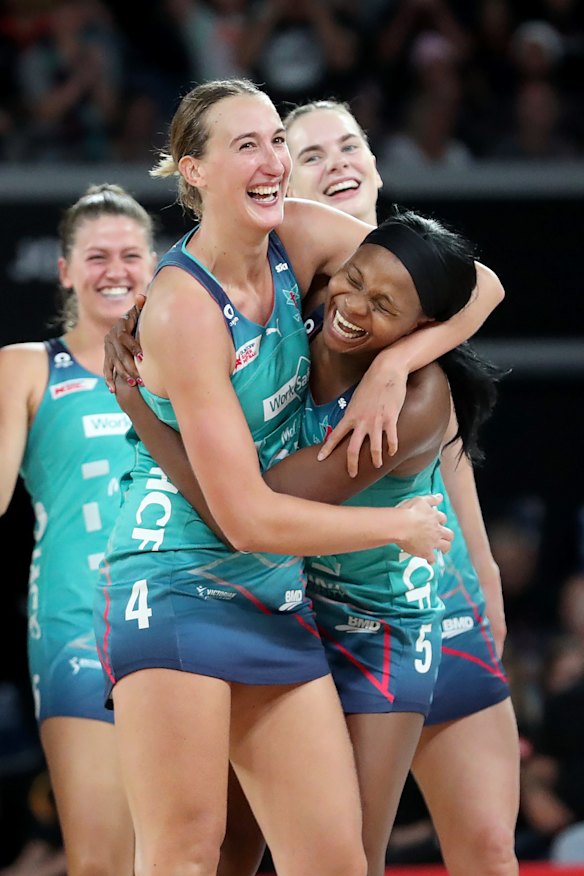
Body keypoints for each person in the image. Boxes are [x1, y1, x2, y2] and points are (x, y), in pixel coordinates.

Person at [96, 79, 503, 876]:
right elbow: (242, 516)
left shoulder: (304, 233)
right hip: (180, 569)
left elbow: (476, 281)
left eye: (276, 141)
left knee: (334, 862)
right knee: (185, 851)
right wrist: (396, 525)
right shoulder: (182, 308)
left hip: (282, 590)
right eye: (247, 144)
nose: (273, 159)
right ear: (193, 171)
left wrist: (397, 362)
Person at [283, 99, 520, 875]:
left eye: (350, 144)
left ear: (378, 165)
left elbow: (446, 452)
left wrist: (482, 570)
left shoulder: (420, 276)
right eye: (312, 154)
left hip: (433, 591)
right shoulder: (297, 279)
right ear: (282, 179)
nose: (339, 162)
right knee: (344, 852)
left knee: (487, 845)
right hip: (331, 603)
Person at [0, 184, 157, 875]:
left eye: (129, 254)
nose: (114, 270)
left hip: (188, 618)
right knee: (101, 861)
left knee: (190, 854)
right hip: (78, 622)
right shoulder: (25, 366)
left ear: (155, 265)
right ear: (65, 269)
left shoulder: (195, 368)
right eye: (96, 256)